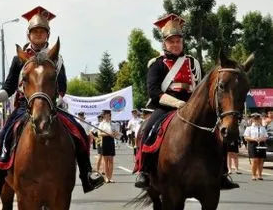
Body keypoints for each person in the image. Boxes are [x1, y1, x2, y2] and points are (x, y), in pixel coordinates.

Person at [0, 6, 104, 199]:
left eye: (42, 32)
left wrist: (59, 99)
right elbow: (10, 87)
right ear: (29, 35)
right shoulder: (19, 59)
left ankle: (88, 173)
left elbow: (62, 86)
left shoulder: (56, 57)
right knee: (5, 134)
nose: (38, 35)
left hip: (51, 106)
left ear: (48, 34)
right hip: (25, 106)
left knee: (78, 132)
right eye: (35, 32)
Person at [134, 13, 238, 190]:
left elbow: (202, 87)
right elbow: (153, 92)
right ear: (164, 43)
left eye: (178, 41)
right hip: (165, 107)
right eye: (171, 41)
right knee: (147, 129)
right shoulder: (157, 64)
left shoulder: (193, 62)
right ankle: (144, 171)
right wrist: (177, 104)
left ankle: (222, 173)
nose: (175, 45)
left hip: (193, 107)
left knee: (218, 135)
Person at [244, 113, 268, 180]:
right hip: (252, 144)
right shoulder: (249, 128)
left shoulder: (262, 128)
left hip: (261, 144)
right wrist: (254, 139)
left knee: (261, 160)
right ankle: (253, 175)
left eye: (257, 119)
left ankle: (259, 175)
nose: (256, 120)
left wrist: (261, 139)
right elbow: (246, 137)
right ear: (252, 119)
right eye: (255, 119)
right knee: (255, 160)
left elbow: (266, 137)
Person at [98, 110, 119, 183]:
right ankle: (106, 177)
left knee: (111, 161)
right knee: (105, 161)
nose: (107, 116)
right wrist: (108, 134)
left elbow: (116, 133)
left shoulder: (113, 123)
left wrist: (116, 134)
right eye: (106, 115)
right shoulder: (102, 124)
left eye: (108, 115)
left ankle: (110, 177)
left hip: (111, 141)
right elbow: (99, 133)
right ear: (104, 116)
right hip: (105, 141)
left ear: (110, 116)